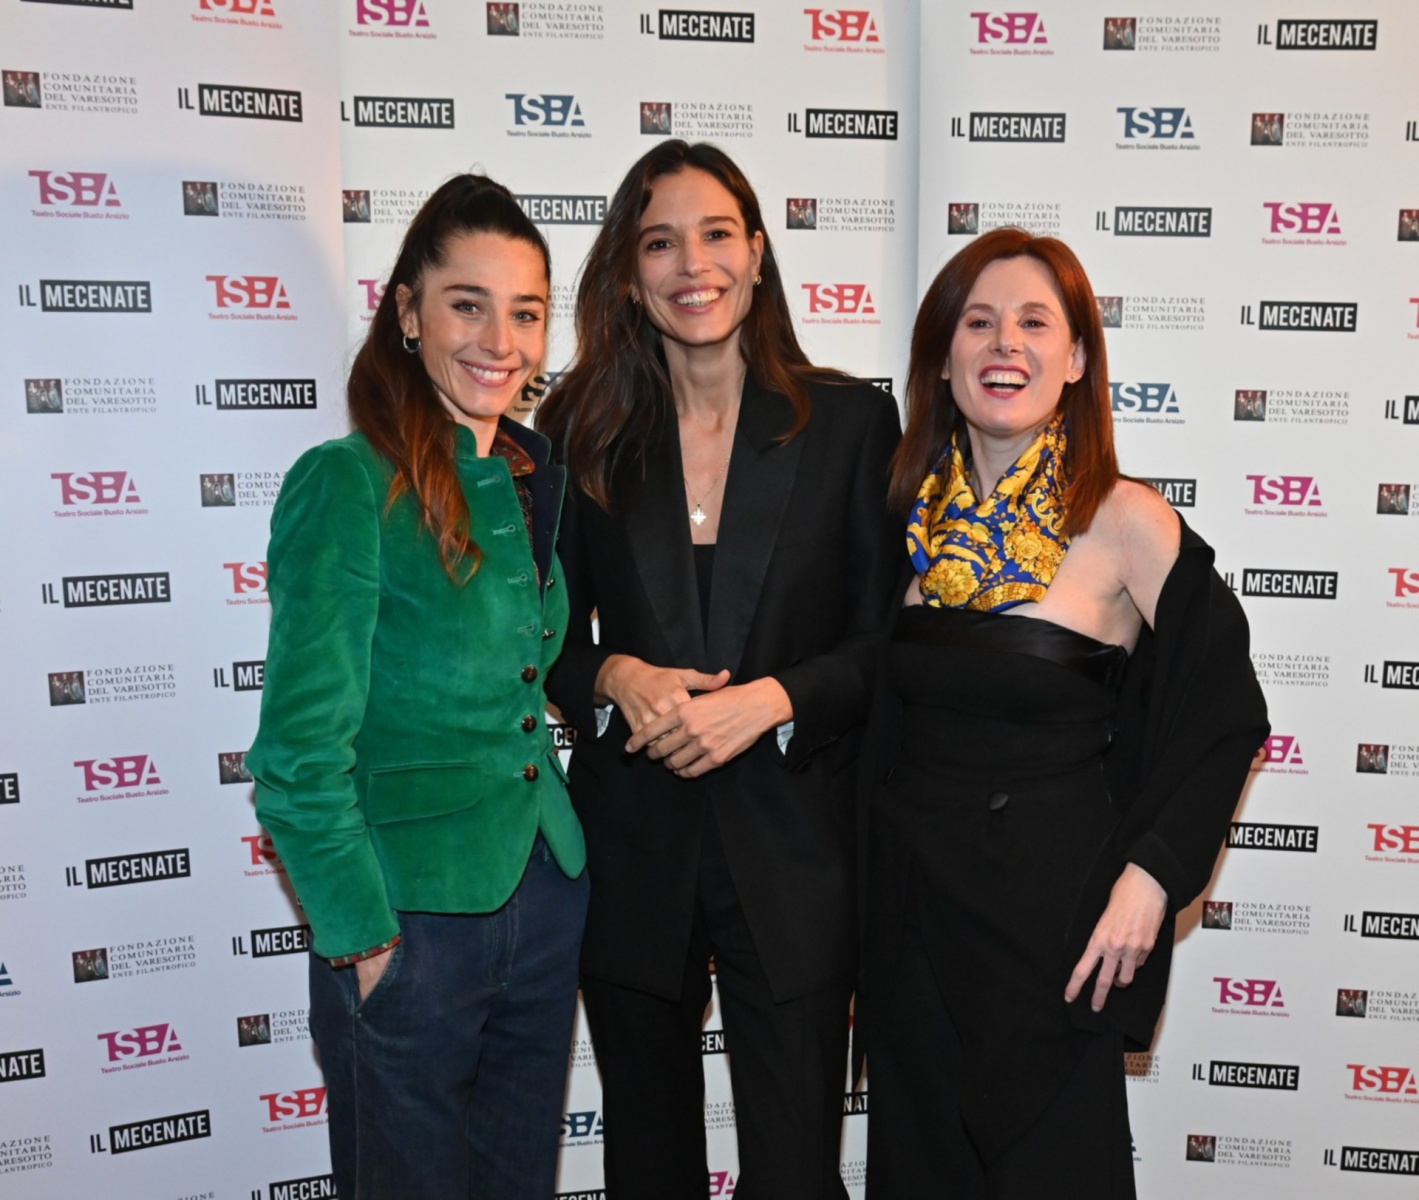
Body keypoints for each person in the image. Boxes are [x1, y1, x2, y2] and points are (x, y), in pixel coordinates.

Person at [862, 228, 1269, 1198]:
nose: (1006, 345)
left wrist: (1154, 875)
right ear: (944, 355)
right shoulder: (906, 522)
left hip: (1054, 938)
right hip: (914, 932)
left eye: (1035, 323)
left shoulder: (1127, 519)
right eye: (979, 322)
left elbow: (1227, 707)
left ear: (1078, 357)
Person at [538, 140, 901, 1200]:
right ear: (628, 270)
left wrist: (775, 699)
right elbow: (539, 642)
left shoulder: (849, 425)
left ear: (756, 252)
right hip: (632, 848)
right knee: (647, 1160)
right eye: (659, 241)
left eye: (714, 234)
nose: (691, 265)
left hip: (794, 853)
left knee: (795, 1169)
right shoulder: (579, 430)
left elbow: (889, 648)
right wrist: (612, 679)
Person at [246, 174, 588, 1200]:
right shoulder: (348, 483)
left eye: (525, 311)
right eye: (466, 303)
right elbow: (299, 756)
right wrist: (364, 940)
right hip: (411, 923)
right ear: (407, 310)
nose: (501, 339)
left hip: (542, 896)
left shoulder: (529, 479)